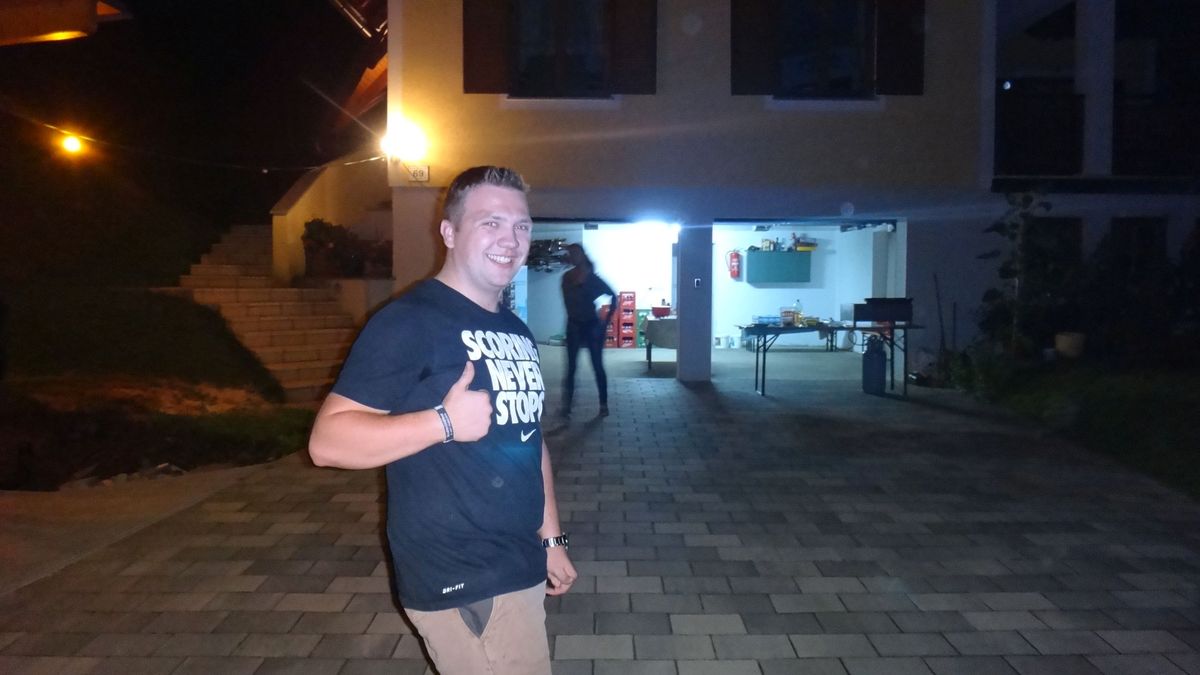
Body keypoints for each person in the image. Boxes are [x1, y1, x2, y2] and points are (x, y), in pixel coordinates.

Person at [308, 166, 576, 675]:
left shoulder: (514, 329)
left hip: (516, 559)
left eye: (521, 225)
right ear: (449, 232)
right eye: (490, 223)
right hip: (462, 574)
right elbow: (327, 442)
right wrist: (444, 423)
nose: (511, 239)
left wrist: (551, 539)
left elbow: (528, 438)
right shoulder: (408, 321)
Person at [559, 243, 616, 419]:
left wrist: (605, 322)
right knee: (571, 368)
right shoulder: (567, 278)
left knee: (597, 365)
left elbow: (613, 296)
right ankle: (567, 406)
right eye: (571, 254)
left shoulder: (591, 279)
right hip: (574, 325)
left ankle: (603, 404)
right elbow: (570, 300)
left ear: (582, 255)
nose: (573, 256)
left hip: (591, 325)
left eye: (575, 253)